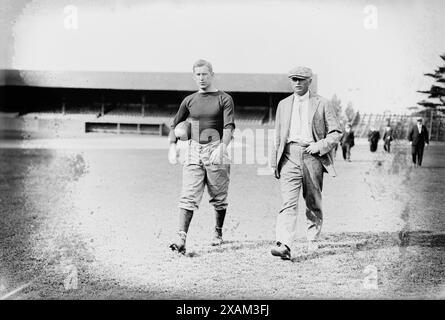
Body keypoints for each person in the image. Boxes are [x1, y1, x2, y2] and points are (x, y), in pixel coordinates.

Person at [270, 66, 342, 260]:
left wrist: (320, 145)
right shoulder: (283, 104)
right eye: (294, 79)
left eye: (301, 79)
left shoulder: (323, 103)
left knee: (313, 200)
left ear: (310, 81)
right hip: (288, 155)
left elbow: (336, 133)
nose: (297, 83)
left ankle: (312, 238)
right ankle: (284, 243)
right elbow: (277, 134)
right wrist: (273, 160)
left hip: (313, 156)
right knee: (288, 203)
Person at [168, 59, 235, 254]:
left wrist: (222, 147)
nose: (201, 78)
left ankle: (218, 231)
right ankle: (181, 238)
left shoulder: (224, 99)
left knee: (219, 198)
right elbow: (175, 124)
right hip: (193, 150)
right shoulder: (189, 100)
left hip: (216, 148)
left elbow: (229, 127)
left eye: (205, 74)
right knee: (188, 196)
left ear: (212, 75)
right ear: (193, 76)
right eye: (197, 74)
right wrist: (172, 145)